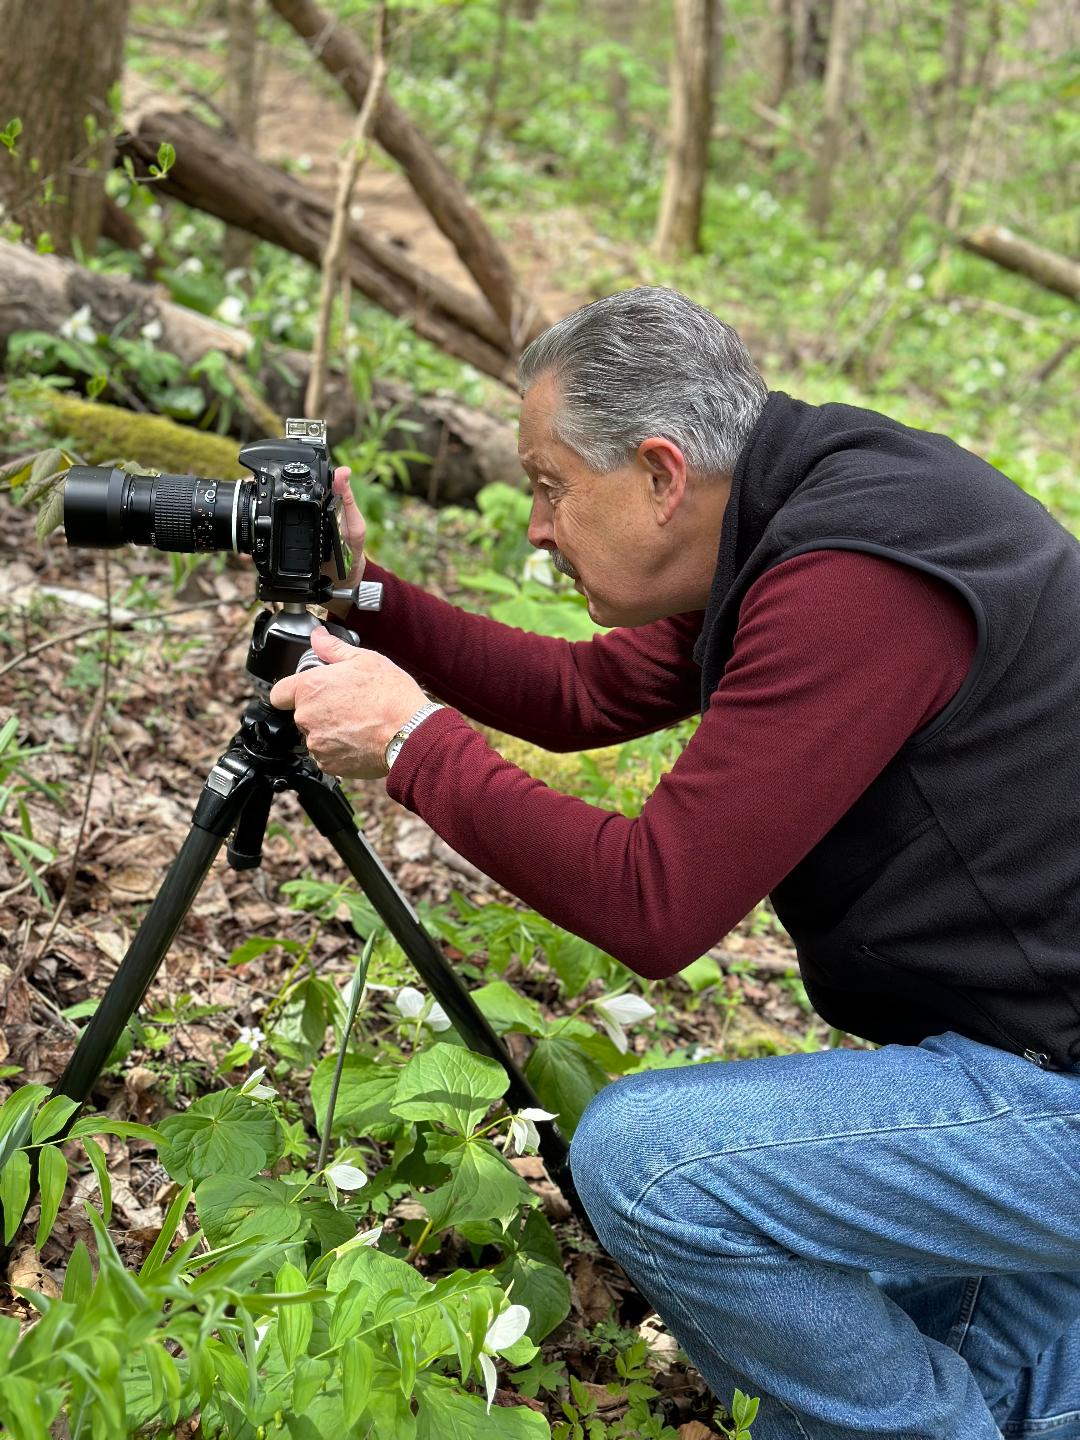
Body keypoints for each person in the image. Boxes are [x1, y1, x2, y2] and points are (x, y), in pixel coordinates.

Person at [268, 287, 1080, 1438]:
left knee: (651, 1166)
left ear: (659, 473)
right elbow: (583, 693)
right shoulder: (799, 503)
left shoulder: (859, 578)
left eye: (551, 486)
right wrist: (367, 600)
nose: (536, 527)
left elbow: (659, 905)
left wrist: (411, 744)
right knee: (920, 1369)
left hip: (1052, 1088)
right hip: (1026, 1052)